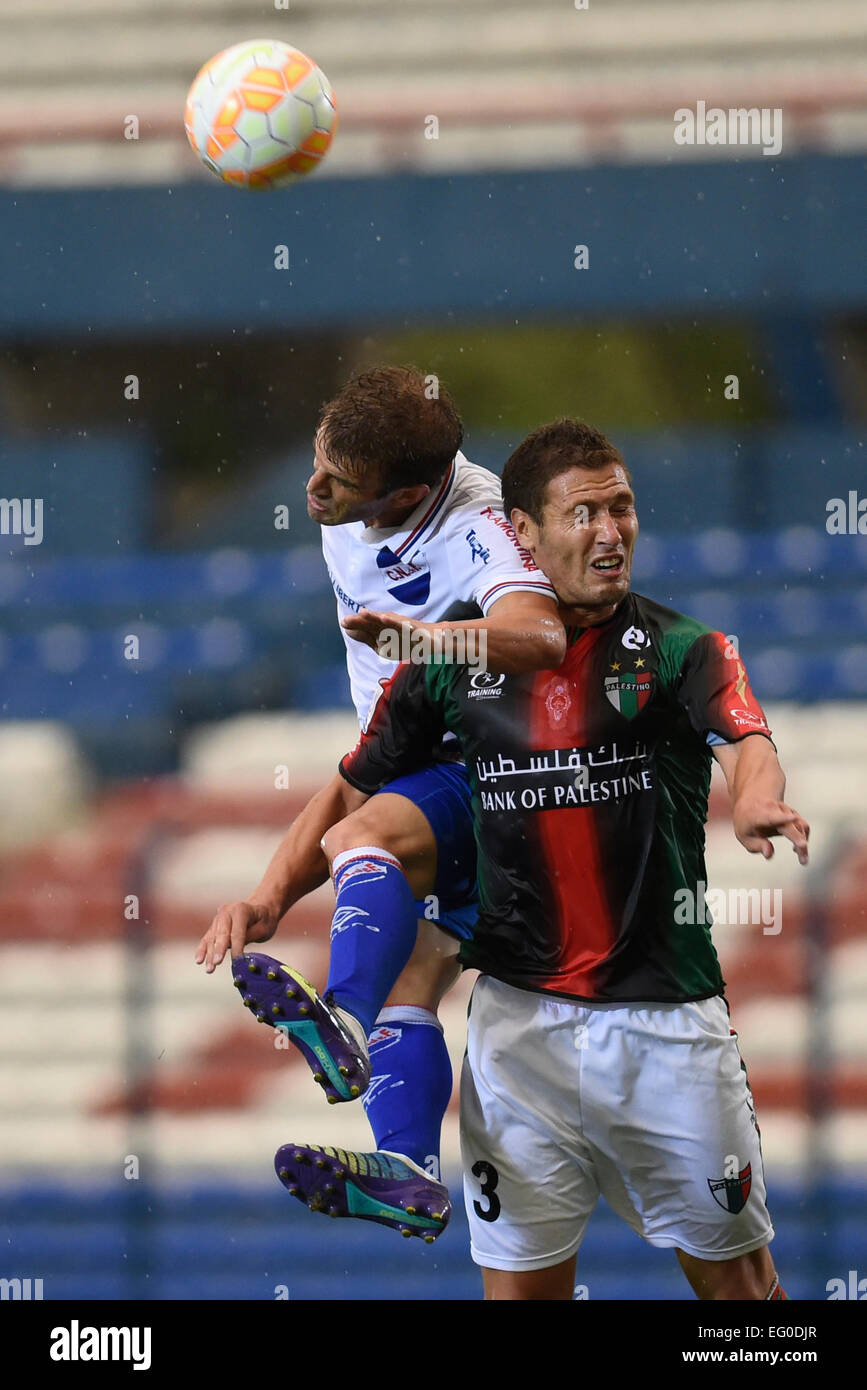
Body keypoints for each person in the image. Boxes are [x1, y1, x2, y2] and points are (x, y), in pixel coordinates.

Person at [262, 417, 809, 1299]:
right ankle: (373, 1080)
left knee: (740, 1295)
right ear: (521, 533)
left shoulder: (680, 647)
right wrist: (266, 898)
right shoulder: (451, 664)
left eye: (621, 509)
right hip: (517, 1029)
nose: (609, 532)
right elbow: (348, 792)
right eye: (582, 513)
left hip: (664, 1028)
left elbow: (745, 734)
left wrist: (752, 794)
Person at [195, 366, 564, 1240]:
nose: (312, 489)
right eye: (318, 462)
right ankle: (409, 1171)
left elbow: (542, 635)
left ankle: (344, 1024)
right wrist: (263, 899)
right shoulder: (354, 511)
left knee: (364, 836)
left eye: (339, 482)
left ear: (411, 492)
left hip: (488, 770)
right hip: (408, 761)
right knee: (417, 969)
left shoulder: (476, 522)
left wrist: (421, 639)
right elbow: (360, 763)